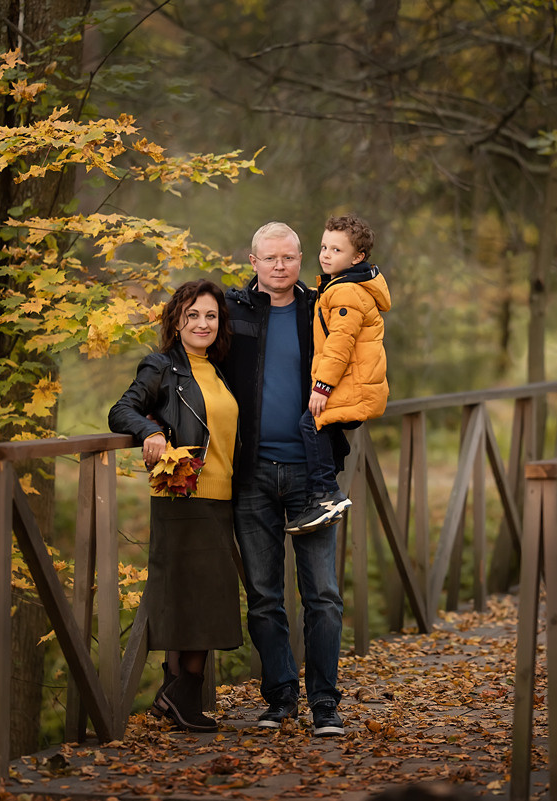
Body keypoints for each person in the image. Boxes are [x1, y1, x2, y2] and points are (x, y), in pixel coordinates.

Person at [218, 221, 347, 736]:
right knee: (265, 595)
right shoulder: (231, 312)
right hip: (249, 474)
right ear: (252, 261)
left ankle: (325, 705)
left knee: (323, 594)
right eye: (270, 258)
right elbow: (188, 363)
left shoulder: (323, 308)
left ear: (301, 260)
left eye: (289, 257)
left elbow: (360, 363)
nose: (280, 266)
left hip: (311, 476)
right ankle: (279, 699)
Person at [107, 280, 241, 732]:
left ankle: (174, 691)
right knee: (192, 597)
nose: (202, 324)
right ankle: (181, 692)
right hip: (183, 493)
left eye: (210, 316)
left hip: (222, 495)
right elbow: (122, 409)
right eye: (192, 316)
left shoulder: (220, 369)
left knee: (208, 596)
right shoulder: (162, 366)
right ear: (177, 321)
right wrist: (150, 432)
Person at [285, 213, 390, 534]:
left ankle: (326, 494)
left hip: (348, 385)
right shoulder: (344, 287)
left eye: (336, 250)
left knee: (311, 421)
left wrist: (322, 386)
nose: (326, 255)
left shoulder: (345, 293)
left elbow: (340, 343)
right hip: (358, 383)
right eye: (324, 247)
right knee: (320, 426)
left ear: (357, 257)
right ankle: (326, 487)